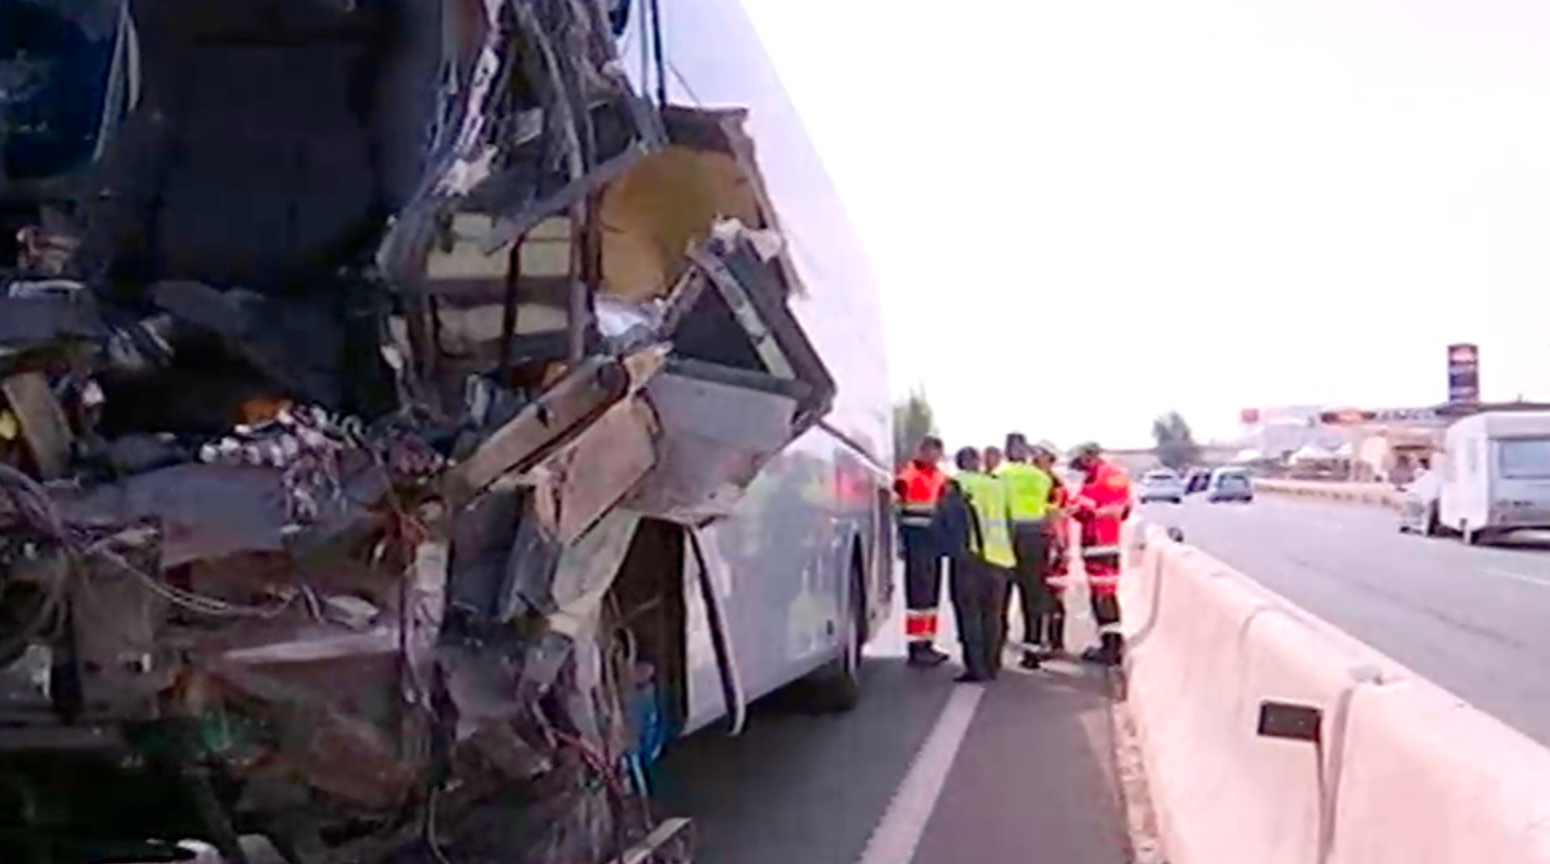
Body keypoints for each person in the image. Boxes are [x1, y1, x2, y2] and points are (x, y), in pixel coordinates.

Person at [933, 446, 1016, 683]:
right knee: (994, 615)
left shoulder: (955, 484)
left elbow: (942, 522)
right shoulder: (998, 485)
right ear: (978, 463)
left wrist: (944, 551)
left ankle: (976, 667)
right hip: (1000, 560)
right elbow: (1009, 523)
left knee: (969, 614)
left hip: (969, 559)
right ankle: (992, 664)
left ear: (959, 464)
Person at [996, 433, 1056, 669]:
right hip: (1036, 538)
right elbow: (1048, 509)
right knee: (1033, 596)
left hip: (1007, 538)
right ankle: (1032, 651)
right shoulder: (1042, 478)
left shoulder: (999, 477)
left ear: (1007, 451)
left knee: (1001, 596)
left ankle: (996, 649)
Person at [1069, 442, 1133, 666]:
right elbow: (1124, 509)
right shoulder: (1112, 476)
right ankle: (1110, 643)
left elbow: (1085, 508)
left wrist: (1080, 508)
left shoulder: (1100, 478)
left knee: (1103, 596)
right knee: (1103, 595)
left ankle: (1111, 647)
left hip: (1099, 544)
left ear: (1090, 457)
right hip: (1104, 543)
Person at [895, 436, 951, 666]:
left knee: (931, 597)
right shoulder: (907, 477)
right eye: (928, 452)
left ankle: (927, 643)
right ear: (921, 451)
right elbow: (896, 511)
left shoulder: (942, 477)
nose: (932, 457)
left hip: (934, 544)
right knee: (918, 598)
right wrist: (900, 542)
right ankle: (917, 647)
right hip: (916, 542)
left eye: (936, 453)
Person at [1032, 442, 1071, 657]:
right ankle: (1043, 639)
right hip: (1038, 542)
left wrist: (1060, 545)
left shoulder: (1054, 485)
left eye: (1041, 457)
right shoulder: (1035, 481)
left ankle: (1054, 641)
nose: (1037, 461)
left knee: (1053, 595)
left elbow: (1056, 515)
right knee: (1039, 593)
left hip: (1053, 542)